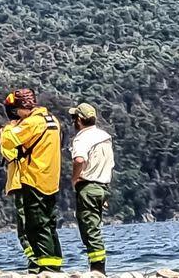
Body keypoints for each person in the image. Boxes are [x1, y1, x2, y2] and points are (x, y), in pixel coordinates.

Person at [0, 88, 63, 273]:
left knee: (36, 227)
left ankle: (45, 269)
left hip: (34, 179)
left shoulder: (33, 122)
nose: (15, 114)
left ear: (22, 107)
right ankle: (55, 266)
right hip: (51, 180)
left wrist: (9, 127)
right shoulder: (52, 121)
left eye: (15, 110)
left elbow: (8, 141)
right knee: (49, 226)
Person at [69, 102, 115, 275]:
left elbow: (79, 160)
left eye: (74, 118)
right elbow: (108, 164)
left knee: (90, 230)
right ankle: (98, 268)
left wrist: (74, 178)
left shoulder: (82, 138)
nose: (73, 121)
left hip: (88, 186)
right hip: (102, 187)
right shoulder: (105, 136)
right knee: (95, 227)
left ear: (80, 120)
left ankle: (97, 271)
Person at [0, 95, 35, 269]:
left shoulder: (12, 131)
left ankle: (34, 263)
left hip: (21, 183)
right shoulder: (32, 127)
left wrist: (1, 137)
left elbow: (11, 154)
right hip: (34, 181)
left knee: (25, 229)